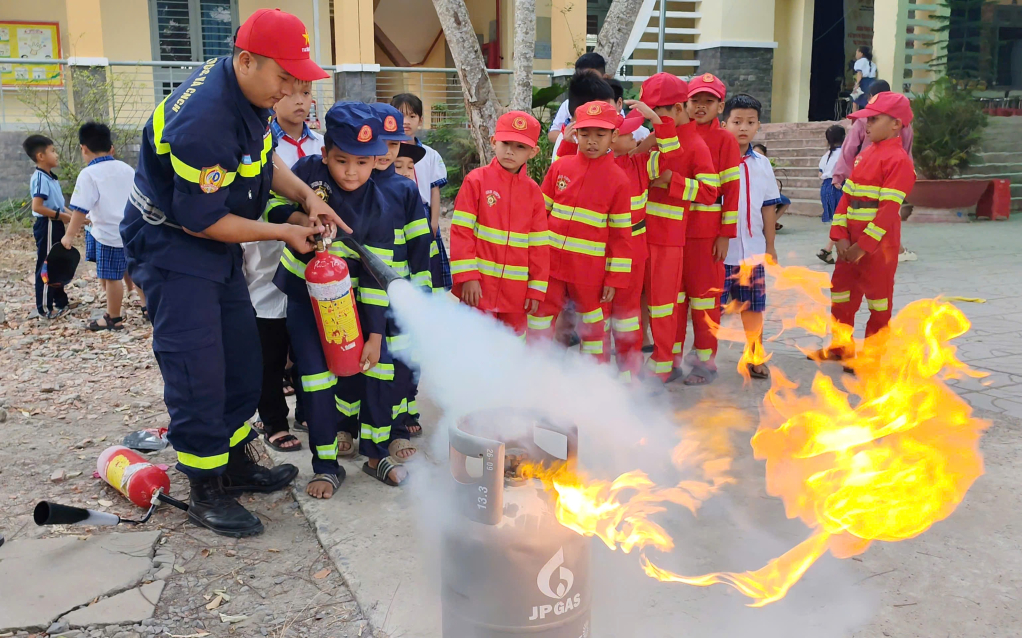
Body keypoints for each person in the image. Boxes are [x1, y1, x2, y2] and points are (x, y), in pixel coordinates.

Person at [121, 9, 348, 537]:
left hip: (213, 246)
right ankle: (205, 487)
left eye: (301, 79)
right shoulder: (202, 122)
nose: (293, 89)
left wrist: (309, 196)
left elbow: (263, 164)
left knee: (242, 357)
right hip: (173, 247)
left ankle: (235, 463)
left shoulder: (251, 93)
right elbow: (202, 221)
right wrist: (285, 232)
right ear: (246, 61)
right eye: (284, 77)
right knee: (197, 367)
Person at [270, 102, 432, 493]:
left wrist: (375, 336)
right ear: (324, 153)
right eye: (341, 160)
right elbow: (273, 208)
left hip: (359, 305)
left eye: (362, 162)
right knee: (316, 380)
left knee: (376, 370)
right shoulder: (307, 174)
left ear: (375, 160)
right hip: (308, 302)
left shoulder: (382, 199)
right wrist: (302, 217)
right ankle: (326, 465)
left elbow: (378, 276)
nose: (351, 171)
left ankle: (376, 453)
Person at [241, 83, 324, 452]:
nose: (301, 102)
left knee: (308, 343)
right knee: (269, 346)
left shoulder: (322, 145)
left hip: (312, 258)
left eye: (307, 95)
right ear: (275, 97)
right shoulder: (259, 142)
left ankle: (308, 410)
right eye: (293, 94)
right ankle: (273, 418)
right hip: (266, 251)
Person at [812, 92, 916, 367]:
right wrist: (840, 237)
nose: (867, 125)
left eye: (874, 119)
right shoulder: (864, 155)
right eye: (866, 120)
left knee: (878, 302)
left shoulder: (899, 161)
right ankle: (840, 347)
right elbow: (846, 198)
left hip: (878, 248)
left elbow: (888, 211)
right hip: (851, 245)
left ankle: (872, 357)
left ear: (896, 124)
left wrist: (863, 246)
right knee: (841, 294)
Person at [527, 101, 633, 362]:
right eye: (585, 133)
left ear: (614, 136)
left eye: (600, 134)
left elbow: (622, 236)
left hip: (590, 270)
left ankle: (594, 381)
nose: (592, 141)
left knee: (593, 324)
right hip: (550, 264)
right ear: (575, 133)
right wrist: (533, 258)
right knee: (539, 317)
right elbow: (539, 215)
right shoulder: (560, 167)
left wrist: (614, 278)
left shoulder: (618, 180)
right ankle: (533, 372)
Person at [638, 73, 719, 383]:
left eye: (659, 112)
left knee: (663, 303)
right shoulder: (656, 136)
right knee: (652, 301)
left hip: (669, 236)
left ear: (678, 109)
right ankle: (664, 359)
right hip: (644, 233)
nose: (655, 119)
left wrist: (673, 181)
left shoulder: (695, 144)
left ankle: (661, 363)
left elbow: (710, 192)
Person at [451, 111, 549, 338]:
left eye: (520, 146)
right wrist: (467, 277)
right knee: (474, 347)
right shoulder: (476, 180)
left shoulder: (533, 192)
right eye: (505, 143)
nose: (510, 151)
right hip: (478, 289)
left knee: (511, 351)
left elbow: (539, 246)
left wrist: (536, 287)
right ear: (494, 142)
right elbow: (461, 232)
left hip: (516, 294)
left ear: (533, 152)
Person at [670, 72, 741, 385]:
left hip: (706, 233)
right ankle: (668, 360)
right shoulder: (674, 133)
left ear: (720, 105)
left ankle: (704, 363)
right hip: (672, 230)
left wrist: (725, 234)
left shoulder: (725, 139)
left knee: (703, 300)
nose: (700, 106)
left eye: (708, 101)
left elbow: (731, 190)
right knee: (672, 299)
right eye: (695, 100)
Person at [369, 101, 435, 439]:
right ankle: (359, 423)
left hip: (401, 290)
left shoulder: (405, 190)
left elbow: (421, 245)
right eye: (378, 142)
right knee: (369, 358)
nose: (385, 153)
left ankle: (397, 419)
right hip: (364, 294)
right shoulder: (353, 183)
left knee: (403, 354)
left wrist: (419, 292)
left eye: (392, 145)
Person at [721, 94, 781, 380]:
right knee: (708, 306)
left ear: (758, 126)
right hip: (719, 249)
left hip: (753, 249)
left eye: (750, 122)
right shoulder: (714, 158)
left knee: (754, 306)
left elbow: (769, 206)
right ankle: (700, 357)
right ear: (724, 123)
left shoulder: (762, 165)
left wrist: (770, 245)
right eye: (736, 121)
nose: (743, 127)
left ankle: (755, 355)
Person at [60, 122, 138, 330]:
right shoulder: (126, 168)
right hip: (132, 232)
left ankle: (113, 317)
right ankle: (148, 308)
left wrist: (68, 236)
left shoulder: (89, 174)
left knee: (112, 278)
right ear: (110, 146)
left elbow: (79, 209)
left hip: (108, 234)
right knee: (137, 271)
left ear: (83, 148)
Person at [831, 79, 917, 262]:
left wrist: (839, 173)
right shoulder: (904, 127)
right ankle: (896, 250)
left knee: (886, 212)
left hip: (879, 178)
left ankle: (894, 249)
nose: (868, 123)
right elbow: (908, 150)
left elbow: (849, 148)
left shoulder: (893, 154)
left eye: (873, 119)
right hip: (871, 179)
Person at [391, 93, 451, 291]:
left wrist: (434, 221)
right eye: (400, 116)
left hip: (423, 213)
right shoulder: (386, 153)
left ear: (421, 120)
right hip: (395, 213)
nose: (406, 122)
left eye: (412, 116)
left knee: (427, 258)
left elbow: (434, 190)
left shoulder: (430, 154)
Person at [25, 134, 71, 320]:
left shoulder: (51, 178)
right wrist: (62, 216)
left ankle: (61, 301)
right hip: (49, 225)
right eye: (52, 151)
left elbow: (59, 205)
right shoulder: (40, 178)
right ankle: (44, 308)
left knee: (58, 262)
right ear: (40, 156)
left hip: (56, 223)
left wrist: (75, 217)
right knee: (46, 264)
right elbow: (38, 207)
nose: (56, 154)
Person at [548, 52, 608, 145]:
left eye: (592, 77)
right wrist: (574, 139)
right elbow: (552, 133)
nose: (587, 82)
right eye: (582, 78)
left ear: (604, 78)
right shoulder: (569, 104)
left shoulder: (610, 103)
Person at [817, 124, 846, 264]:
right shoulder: (845, 153)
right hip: (838, 187)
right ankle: (828, 249)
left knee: (838, 220)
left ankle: (831, 251)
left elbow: (820, 173)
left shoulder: (826, 155)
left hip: (826, 187)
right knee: (842, 220)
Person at [852, 46, 877, 111]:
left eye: (857, 52)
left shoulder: (860, 62)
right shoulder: (872, 63)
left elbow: (859, 74)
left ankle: (855, 119)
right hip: (872, 82)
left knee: (855, 102)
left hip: (863, 82)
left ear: (861, 53)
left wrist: (857, 84)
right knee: (868, 102)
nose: (856, 55)